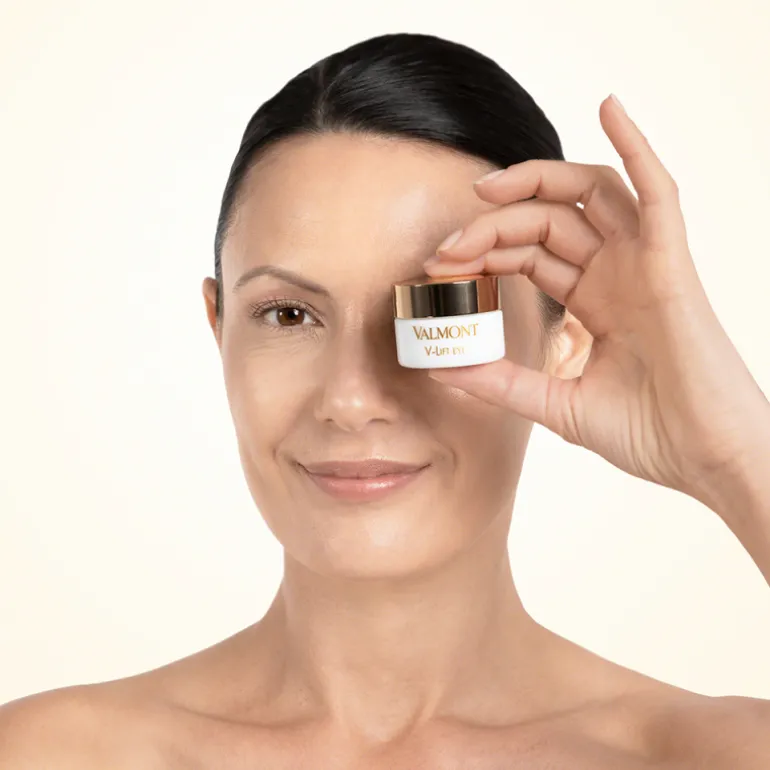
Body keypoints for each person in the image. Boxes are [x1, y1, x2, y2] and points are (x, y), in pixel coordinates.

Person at [1, 31, 769, 769]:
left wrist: (734, 452)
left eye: (439, 312)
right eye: (289, 315)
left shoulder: (717, 756)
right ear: (219, 327)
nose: (351, 399)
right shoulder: (48, 755)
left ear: (564, 338)